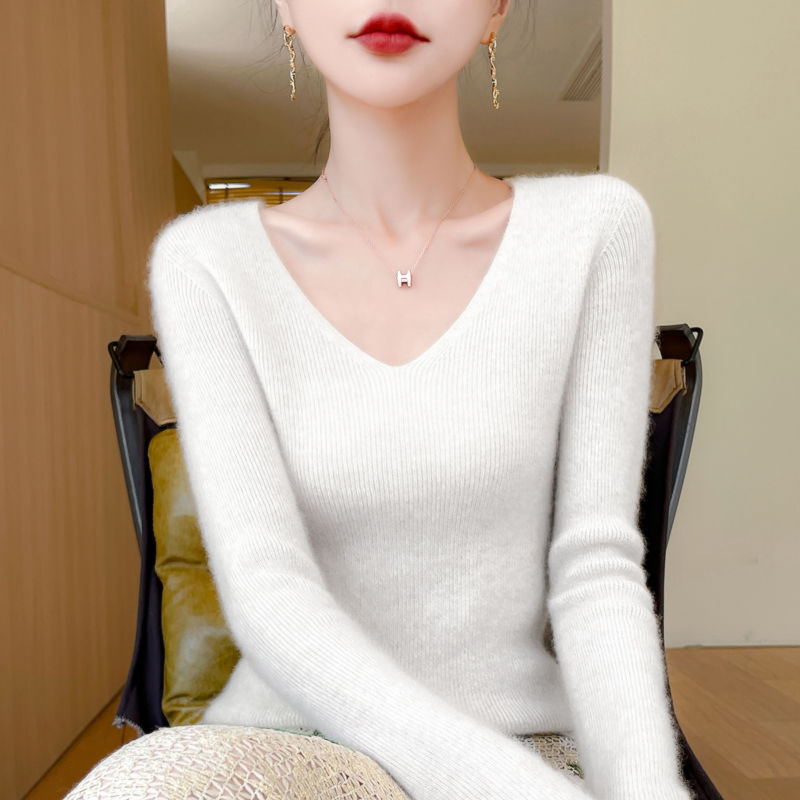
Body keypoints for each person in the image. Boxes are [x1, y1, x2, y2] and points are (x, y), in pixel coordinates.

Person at [66, 1, 694, 799]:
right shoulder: (207, 261)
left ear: (496, 10)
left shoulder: (596, 230)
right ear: (287, 8)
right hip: (292, 746)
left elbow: (596, 568)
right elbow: (267, 589)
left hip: (525, 738)